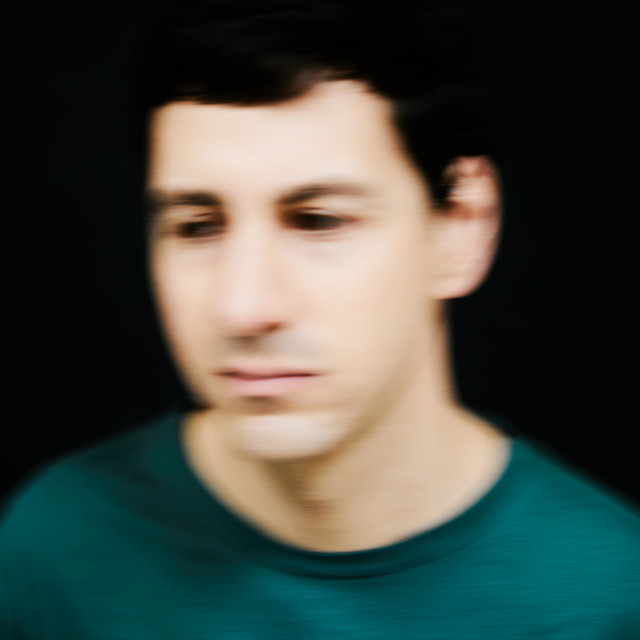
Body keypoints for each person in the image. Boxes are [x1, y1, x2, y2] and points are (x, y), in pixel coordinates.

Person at [1, 0, 638, 637]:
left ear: (460, 228)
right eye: (197, 227)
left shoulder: (609, 598)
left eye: (318, 221)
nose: (242, 308)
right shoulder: (50, 554)